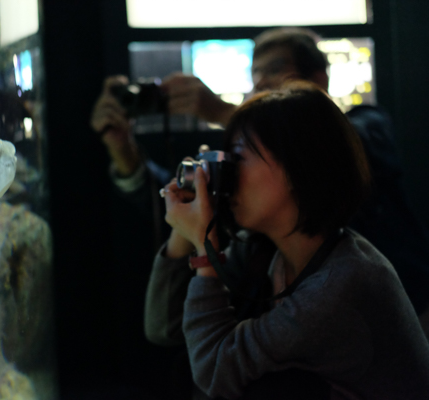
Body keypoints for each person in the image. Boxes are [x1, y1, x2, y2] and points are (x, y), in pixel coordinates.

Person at [91, 27, 429, 332]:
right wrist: (123, 149)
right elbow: (166, 325)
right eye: (255, 74)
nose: (262, 83)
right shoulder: (260, 252)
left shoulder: (366, 124)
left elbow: (323, 149)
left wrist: (227, 113)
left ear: (318, 78)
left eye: (276, 69)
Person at [154, 81, 429, 399]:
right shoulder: (271, 251)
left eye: (238, 159)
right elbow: (166, 326)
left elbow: (214, 372)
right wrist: (188, 216)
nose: (226, 175)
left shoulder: (340, 284)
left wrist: (205, 248)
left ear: (300, 168)